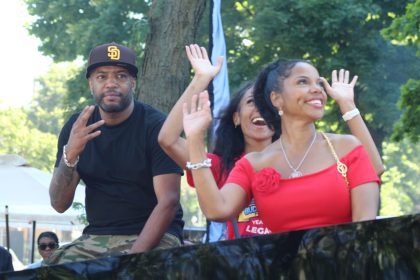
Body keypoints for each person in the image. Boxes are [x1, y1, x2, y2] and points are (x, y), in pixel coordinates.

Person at [159, 45, 383, 239]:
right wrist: (196, 137)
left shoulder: (345, 147)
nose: (317, 89)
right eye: (303, 82)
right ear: (276, 99)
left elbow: (366, 216)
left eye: (319, 83)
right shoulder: (247, 165)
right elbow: (217, 209)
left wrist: (347, 104)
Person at [46, 42, 184, 265]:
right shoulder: (76, 126)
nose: (111, 83)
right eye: (101, 77)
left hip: (155, 235)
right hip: (97, 237)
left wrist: (129, 264)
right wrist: (70, 154)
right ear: (91, 84)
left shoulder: (157, 125)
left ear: (133, 83)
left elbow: (169, 201)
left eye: (121, 76)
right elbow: (59, 204)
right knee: (51, 270)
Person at [159, 44, 274, 240]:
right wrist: (200, 80)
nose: (260, 109)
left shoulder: (298, 160)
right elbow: (168, 139)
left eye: (266, 103)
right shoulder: (219, 167)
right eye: (251, 102)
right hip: (245, 261)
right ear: (236, 118)